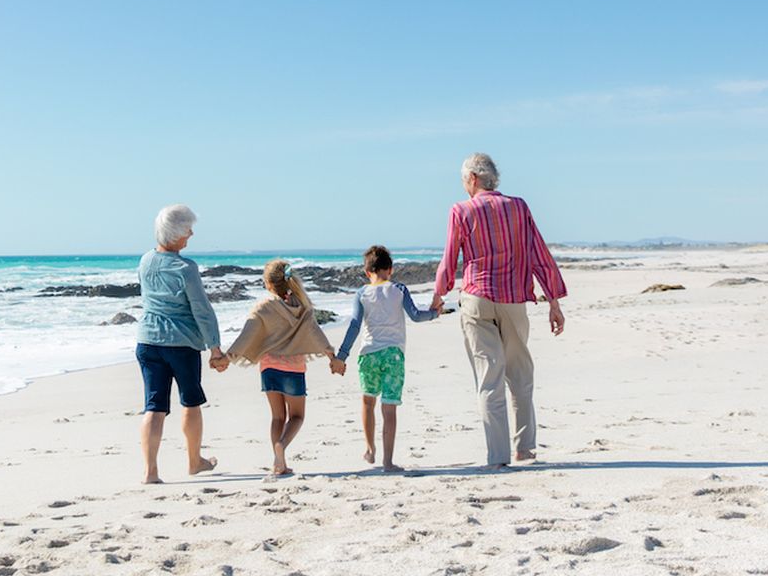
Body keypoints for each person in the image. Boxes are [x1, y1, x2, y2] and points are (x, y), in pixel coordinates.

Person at [431, 153, 567, 469]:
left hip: (477, 299)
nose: (464, 186)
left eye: (463, 180)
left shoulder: (461, 210)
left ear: (473, 178)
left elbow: (449, 259)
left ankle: (497, 458)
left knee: (489, 378)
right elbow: (538, 253)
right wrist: (554, 300)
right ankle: (525, 449)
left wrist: (439, 294)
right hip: (514, 300)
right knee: (520, 375)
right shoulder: (518, 207)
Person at [217, 259, 344, 477]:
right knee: (297, 417)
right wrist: (332, 357)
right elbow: (316, 333)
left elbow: (247, 334)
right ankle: (281, 447)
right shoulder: (302, 307)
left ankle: (279, 463)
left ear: (268, 284)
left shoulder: (264, 308)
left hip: (269, 368)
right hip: (293, 369)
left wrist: (227, 357)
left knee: (277, 417)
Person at [135, 203, 224, 484]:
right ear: (175, 233)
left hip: (148, 341)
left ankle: (150, 472)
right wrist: (215, 347)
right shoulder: (186, 268)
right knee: (191, 402)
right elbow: (201, 309)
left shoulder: (145, 260)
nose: (191, 234)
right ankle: (194, 461)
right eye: (188, 229)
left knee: (154, 406)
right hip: (181, 344)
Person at [335, 245, 439, 472]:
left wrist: (341, 356)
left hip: (368, 354)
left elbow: (354, 325)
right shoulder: (399, 289)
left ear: (367, 272)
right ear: (390, 270)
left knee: (367, 402)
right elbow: (415, 316)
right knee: (389, 408)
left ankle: (370, 448)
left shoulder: (361, 293)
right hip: (393, 355)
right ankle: (388, 461)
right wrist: (434, 313)